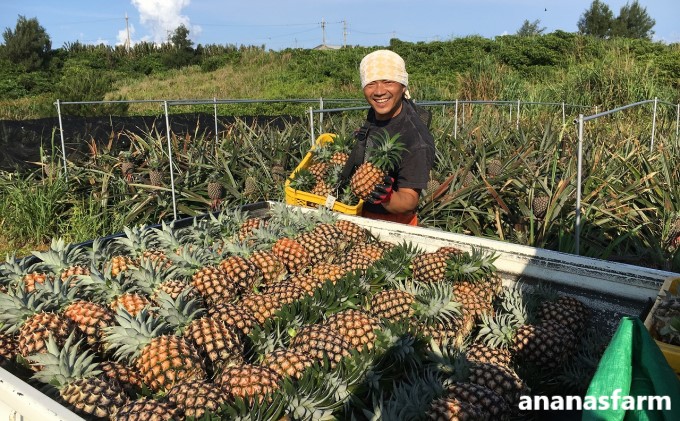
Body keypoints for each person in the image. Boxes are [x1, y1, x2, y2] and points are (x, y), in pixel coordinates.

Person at [341, 49, 435, 226]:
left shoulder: (416, 139)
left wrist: (386, 197)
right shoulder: (378, 112)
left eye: (388, 82)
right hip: (358, 212)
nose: (379, 91)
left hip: (393, 224)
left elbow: (409, 200)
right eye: (371, 84)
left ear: (403, 85)